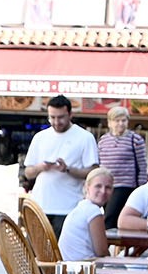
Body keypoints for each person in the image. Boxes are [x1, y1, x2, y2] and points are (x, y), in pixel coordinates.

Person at [22, 96, 100, 237]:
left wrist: (68, 169)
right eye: (52, 117)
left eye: (61, 117)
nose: (56, 122)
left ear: (70, 115)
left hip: (69, 208)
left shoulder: (85, 137)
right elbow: (28, 172)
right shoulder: (40, 137)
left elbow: (94, 173)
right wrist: (41, 167)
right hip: (40, 206)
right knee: (35, 253)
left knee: (61, 255)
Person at [96, 106, 148, 229]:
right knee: (111, 217)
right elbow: (99, 163)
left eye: (123, 120)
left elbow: (142, 164)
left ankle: (106, 244)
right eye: (117, 120)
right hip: (106, 185)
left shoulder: (135, 140)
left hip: (125, 185)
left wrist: (141, 188)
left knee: (110, 217)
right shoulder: (103, 140)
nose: (120, 124)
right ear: (109, 123)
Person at [58, 167, 114, 262]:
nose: (103, 191)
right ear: (87, 187)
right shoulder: (93, 211)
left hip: (70, 267)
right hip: (83, 270)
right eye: (98, 186)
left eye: (108, 187)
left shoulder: (81, 208)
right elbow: (102, 252)